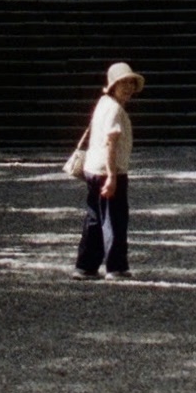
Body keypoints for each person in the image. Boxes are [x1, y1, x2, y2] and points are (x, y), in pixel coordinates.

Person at [76, 61, 144, 278]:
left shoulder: (103, 103)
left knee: (95, 217)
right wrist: (112, 176)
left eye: (131, 83)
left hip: (93, 168)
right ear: (113, 85)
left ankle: (86, 265)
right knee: (115, 218)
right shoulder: (115, 109)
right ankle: (116, 266)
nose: (128, 88)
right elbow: (110, 143)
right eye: (123, 83)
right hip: (108, 170)